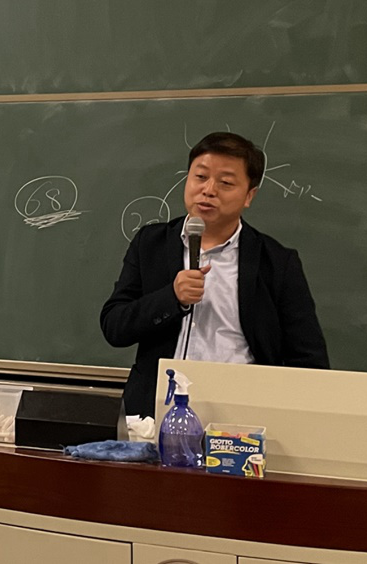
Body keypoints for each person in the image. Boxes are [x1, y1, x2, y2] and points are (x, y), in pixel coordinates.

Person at [101, 132, 329, 417]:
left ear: (249, 195)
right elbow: (114, 326)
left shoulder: (276, 262)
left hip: (242, 415)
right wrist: (172, 298)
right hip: (155, 410)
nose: (208, 190)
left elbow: (308, 360)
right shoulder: (151, 244)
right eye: (200, 177)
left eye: (226, 183)